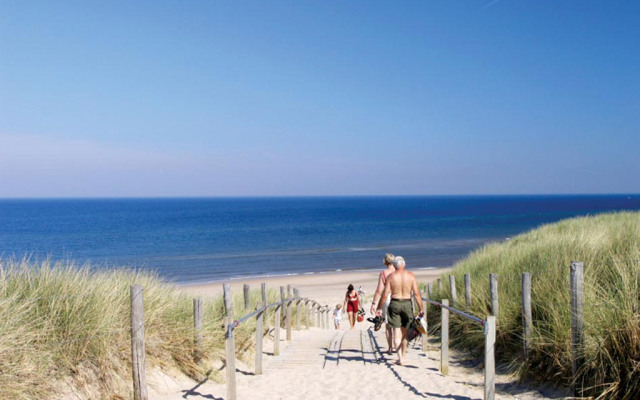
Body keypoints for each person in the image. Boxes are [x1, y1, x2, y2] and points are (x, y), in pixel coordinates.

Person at [376, 256, 424, 366]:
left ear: (395, 265)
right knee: (405, 332)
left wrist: (379, 308)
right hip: (407, 303)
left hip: (395, 303)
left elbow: (385, 294)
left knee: (396, 332)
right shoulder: (411, 276)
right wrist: (421, 308)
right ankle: (404, 355)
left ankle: (400, 358)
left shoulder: (391, 277)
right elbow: (416, 294)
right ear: (405, 264)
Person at [370, 253, 396, 354]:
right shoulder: (397, 271)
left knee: (388, 325)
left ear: (385, 261)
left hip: (387, 298)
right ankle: (398, 347)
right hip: (398, 297)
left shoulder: (384, 273)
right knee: (398, 325)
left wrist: (374, 303)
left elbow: (379, 290)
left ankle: (390, 348)